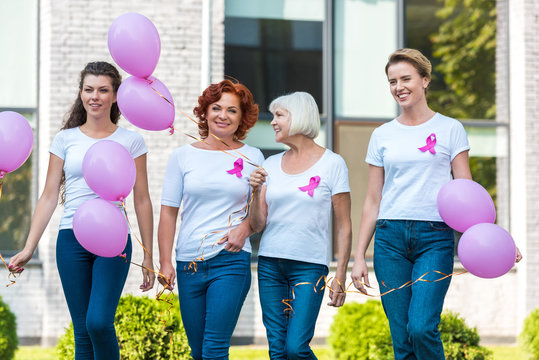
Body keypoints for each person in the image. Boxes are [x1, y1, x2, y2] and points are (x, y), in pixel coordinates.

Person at [9, 61, 155, 360]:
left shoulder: (131, 141)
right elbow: (49, 196)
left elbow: (142, 199)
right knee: (82, 331)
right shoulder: (65, 139)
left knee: (98, 322)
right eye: (89, 89)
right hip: (71, 239)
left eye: (103, 90)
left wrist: (149, 253)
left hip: (114, 240)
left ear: (115, 96)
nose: (95, 96)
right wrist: (28, 247)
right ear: (81, 93)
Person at [350, 48, 477, 359]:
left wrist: (488, 235)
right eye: (393, 81)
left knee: (421, 326)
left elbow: (466, 191)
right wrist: (358, 256)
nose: (399, 87)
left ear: (425, 80)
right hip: (389, 240)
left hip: (435, 238)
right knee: (401, 338)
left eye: (406, 78)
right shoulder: (382, 135)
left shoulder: (450, 129)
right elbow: (372, 198)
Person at [157, 79, 263, 360]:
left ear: (242, 118)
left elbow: (261, 217)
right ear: (205, 112)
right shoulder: (181, 157)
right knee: (197, 352)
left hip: (230, 260)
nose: (223, 116)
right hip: (188, 261)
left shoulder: (253, 156)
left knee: (214, 350)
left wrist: (245, 228)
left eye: (232, 110)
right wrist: (166, 261)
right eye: (216, 108)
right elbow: (168, 212)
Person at [249, 91, 352, 359]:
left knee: (296, 348)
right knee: (277, 349)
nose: (272, 122)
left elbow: (344, 225)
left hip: (309, 266)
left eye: (279, 115)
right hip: (270, 265)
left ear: (299, 118)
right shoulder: (270, 164)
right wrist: (254, 192)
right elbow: (258, 225)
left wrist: (340, 275)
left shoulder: (333, 164)